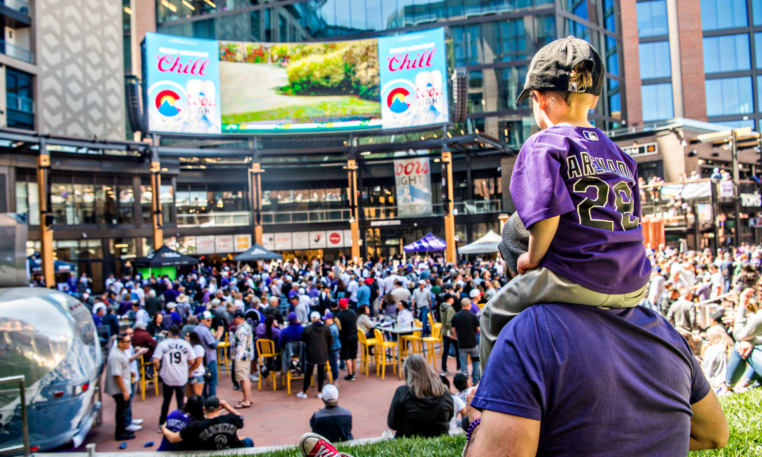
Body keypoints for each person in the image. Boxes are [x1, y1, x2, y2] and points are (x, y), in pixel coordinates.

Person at [463, 195, 728, 455]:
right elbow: (715, 434)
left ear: (517, 266)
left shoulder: (525, 333)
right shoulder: (663, 329)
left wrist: (476, 421)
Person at [479, 37, 651, 369]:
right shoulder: (621, 154)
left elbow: (546, 216)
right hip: (634, 281)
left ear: (539, 99)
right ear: (595, 98)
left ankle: (490, 408)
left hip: (578, 277)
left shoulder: (544, 143)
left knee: (491, 316)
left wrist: (532, 256)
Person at [387, 354, 454, 438]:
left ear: (407, 372)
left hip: (408, 442)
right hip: (438, 441)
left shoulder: (402, 392)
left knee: (386, 435)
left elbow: (393, 424)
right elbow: (449, 416)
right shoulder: (444, 392)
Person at [153, 324, 200, 433]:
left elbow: (155, 360)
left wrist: (159, 369)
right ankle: (181, 424)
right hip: (181, 377)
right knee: (180, 401)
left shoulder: (162, 344)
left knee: (166, 401)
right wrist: (184, 364)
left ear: (169, 333)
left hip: (167, 376)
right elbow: (192, 361)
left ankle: (161, 424)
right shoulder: (185, 344)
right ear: (179, 333)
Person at [162, 396, 254, 450]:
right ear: (219, 408)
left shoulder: (197, 425)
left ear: (204, 408)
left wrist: (164, 428)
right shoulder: (230, 418)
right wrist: (227, 406)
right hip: (232, 449)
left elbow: (172, 438)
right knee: (248, 440)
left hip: (210, 451)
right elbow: (240, 417)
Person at [104, 333, 138, 440]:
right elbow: (117, 375)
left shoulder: (119, 352)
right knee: (121, 410)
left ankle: (122, 430)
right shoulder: (116, 356)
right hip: (119, 389)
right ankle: (119, 432)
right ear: (121, 343)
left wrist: (129, 372)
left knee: (123, 408)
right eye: (128, 341)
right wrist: (124, 391)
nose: (130, 343)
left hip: (123, 386)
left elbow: (122, 368)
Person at [298, 311, 333, 399]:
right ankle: (320, 392)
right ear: (319, 318)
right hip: (322, 353)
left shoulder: (308, 328)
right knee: (321, 372)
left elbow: (303, 339)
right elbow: (330, 340)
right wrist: (326, 349)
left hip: (311, 353)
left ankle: (304, 392)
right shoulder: (326, 328)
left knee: (308, 372)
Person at [194, 310, 224, 398]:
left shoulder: (196, 329)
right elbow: (213, 345)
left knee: (204, 382)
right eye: (208, 320)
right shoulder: (205, 331)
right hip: (209, 359)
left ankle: (203, 402)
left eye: (211, 320)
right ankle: (212, 402)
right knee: (212, 382)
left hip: (200, 359)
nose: (210, 322)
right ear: (202, 320)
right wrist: (218, 336)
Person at [451, 297, 480, 384]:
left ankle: (465, 382)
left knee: (463, 363)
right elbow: (478, 329)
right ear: (469, 305)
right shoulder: (473, 316)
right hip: (473, 344)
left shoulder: (456, 316)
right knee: (476, 362)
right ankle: (475, 381)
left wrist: (456, 336)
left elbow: (453, 329)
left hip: (462, 344)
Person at [232, 309, 254, 408]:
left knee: (243, 378)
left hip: (242, 356)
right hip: (247, 355)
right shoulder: (246, 326)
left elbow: (242, 344)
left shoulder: (242, 329)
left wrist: (237, 357)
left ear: (238, 318)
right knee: (246, 377)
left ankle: (246, 400)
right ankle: (248, 398)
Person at [702, 325, 733, 390]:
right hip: (732, 383)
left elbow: (706, 371)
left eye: (708, 337)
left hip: (715, 384)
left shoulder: (711, 350)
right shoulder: (731, 347)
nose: (707, 339)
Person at [336, 299, 358, 381]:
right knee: (354, 355)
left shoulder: (339, 316)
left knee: (347, 356)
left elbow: (339, 327)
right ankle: (354, 372)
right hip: (354, 335)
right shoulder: (352, 312)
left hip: (345, 337)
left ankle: (350, 374)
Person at [439, 294, 460, 375]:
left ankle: (443, 369)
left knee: (445, 351)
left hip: (444, 331)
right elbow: (449, 321)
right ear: (449, 299)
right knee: (458, 349)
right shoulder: (450, 308)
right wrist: (454, 332)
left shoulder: (442, 306)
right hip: (450, 332)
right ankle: (459, 367)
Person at [186, 331, 206, 397]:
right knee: (189, 395)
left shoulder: (198, 348)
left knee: (197, 397)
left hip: (197, 374)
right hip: (190, 374)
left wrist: (189, 371)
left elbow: (197, 363)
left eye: (187, 336)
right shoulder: (190, 347)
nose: (185, 337)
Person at [324, 312, 342, 384]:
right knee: (333, 364)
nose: (325, 321)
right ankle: (334, 379)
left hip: (333, 348)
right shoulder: (333, 326)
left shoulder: (332, 328)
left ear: (330, 319)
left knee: (333, 365)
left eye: (326, 320)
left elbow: (330, 340)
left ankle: (335, 381)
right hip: (336, 347)